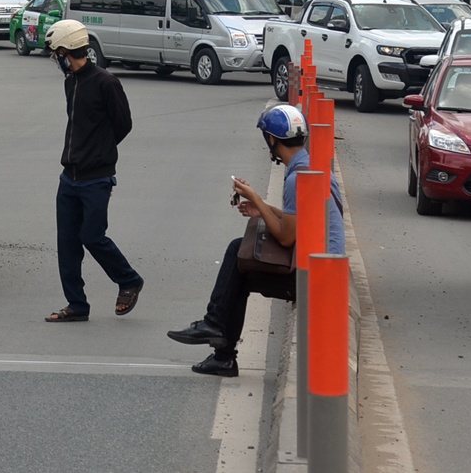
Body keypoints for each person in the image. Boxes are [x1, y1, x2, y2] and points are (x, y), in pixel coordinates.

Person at [166, 103, 345, 377]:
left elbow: (286, 237)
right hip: (323, 266)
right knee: (239, 264)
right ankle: (220, 347)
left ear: (271, 140)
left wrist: (258, 199)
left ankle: (218, 340)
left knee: (238, 257)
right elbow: (297, 220)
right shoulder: (310, 166)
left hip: (316, 278)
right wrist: (258, 206)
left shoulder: (296, 178)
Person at [41, 19, 144, 323]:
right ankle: (77, 305)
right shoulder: (70, 82)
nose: (54, 60)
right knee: (67, 243)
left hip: (96, 178)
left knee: (92, 236)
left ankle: (129, 280)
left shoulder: (106, 82)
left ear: (64, 52)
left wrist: (99, 151)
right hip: (68, 177)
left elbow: (123, 124)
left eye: (55, 54)